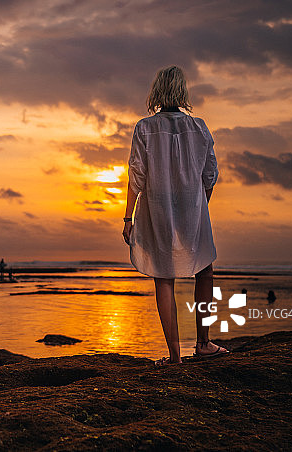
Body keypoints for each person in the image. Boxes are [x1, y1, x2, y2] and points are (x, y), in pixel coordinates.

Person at [122, 66, 227, 366]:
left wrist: (128, 218)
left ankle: (174, 356)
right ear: (182, 92)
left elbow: (136, 177)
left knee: (163, 276)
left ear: (157, 91)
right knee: (204, 270)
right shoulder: (200, 128)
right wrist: (199, 206)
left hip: (157, 209)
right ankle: (203, 344)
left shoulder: (144, 128)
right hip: (194, 209)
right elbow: (210, 175)